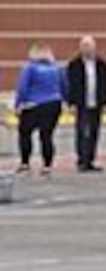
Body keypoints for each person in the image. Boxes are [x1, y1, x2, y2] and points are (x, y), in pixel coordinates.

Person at [13, 41, 66, 176]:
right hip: (54, 104)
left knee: (25, 133)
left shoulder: (29, 68)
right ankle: (47, 165)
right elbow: (64, 86)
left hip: (33, 104)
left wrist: (18, 104)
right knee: (47, 135)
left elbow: (22, 88)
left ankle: (25, 163)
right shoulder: (57, 68)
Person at [65, 35, 106, 172]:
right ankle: (82, 160)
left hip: (97, 102)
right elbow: (70, 85)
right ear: (80, 48)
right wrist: (71, 103)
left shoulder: (101, 64)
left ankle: (90, 160)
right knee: (81, 131)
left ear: (94, 47)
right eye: (84, 46)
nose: (87, 49)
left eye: (90, 46)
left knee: (94, 131)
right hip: (81, 103)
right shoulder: (74, 64)